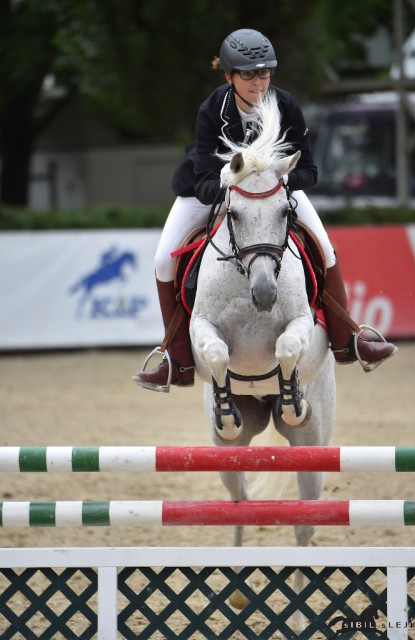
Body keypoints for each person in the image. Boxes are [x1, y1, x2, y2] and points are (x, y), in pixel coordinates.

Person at [134, 28, 396, 391]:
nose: (258, 82)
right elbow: (208, 185)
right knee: (163, 259)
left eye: (264, 72)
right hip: (210, 190)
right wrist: (233, 178)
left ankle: (349, 339)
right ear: (228, 76)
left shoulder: (285, 105)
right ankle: (174, 359)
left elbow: (310, 172)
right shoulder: (212, 110)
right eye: (248, 74)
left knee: (325, 248)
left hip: (274, 189)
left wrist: (273, 181)